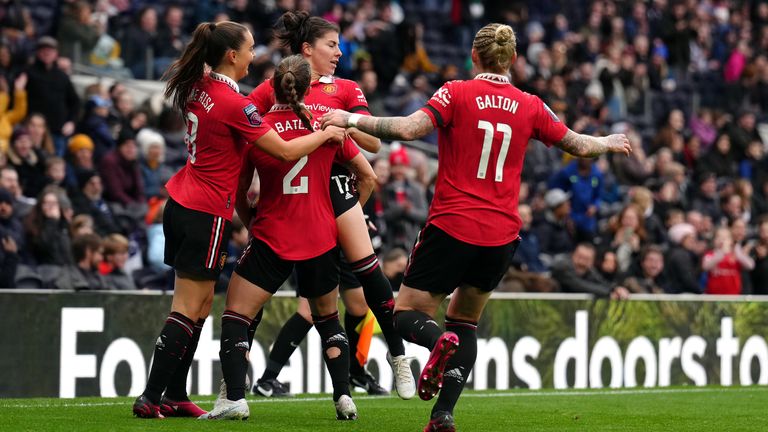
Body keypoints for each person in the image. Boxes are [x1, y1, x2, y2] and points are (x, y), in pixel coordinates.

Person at [321, 23, 631, 431]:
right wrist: (607, 141)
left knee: (406, 313)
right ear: (513, 60)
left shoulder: (456, 92)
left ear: (474, 55)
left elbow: (408, 130)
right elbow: (576, 143)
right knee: (465, 322)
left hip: (452, 224)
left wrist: (350, 118)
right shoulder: (530, 104)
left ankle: (436, 345)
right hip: (501, 235)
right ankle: (443, 416)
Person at [132, 21, 344, 419]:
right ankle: (150, 396)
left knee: (194, 309)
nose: (254, 57)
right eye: (249, 50)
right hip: (207, 211)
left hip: (179, 201)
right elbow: (282, 151)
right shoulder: (236, 104)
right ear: (232, 55)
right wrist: (326, 134)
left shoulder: (197, 86)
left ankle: (175, 394)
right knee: (188, 308)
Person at [248, 11, 414, 399]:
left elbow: (373, 145)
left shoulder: (345, 89)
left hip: (334, 186)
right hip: (290, 200)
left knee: (369, 274)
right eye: (331, 45)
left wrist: (344, 120)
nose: (339, 52)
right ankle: (249, 381)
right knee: (305, 303)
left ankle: (398, 357)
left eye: (339, 45)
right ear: (307, 49)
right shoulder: (274, 87)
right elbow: (245, 121)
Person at [202, 54, 358, 421]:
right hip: (320, 235)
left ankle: (234, 399)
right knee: (327, 319)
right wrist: (341, 218)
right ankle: (344, 398)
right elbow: (366, 174)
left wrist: (251, 221)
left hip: (273, 234)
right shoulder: (326, 126)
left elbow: (241, 190)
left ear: (272, 86)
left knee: (237, 315)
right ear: (307, 87)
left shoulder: (258, 128)